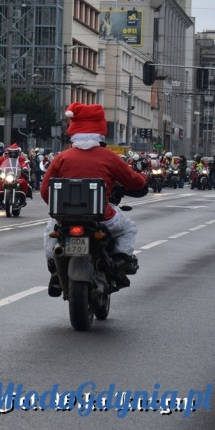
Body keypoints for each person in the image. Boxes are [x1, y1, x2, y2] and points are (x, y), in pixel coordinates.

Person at [40, 103, 148, 297]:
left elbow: (44, 189)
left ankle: (55, 269)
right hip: (102, 218)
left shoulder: (62, 157)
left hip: (65, 219)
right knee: (128, 228)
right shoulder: (109, 157)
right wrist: (141, 181)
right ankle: (122, 259)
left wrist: (59, 212)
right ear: (100, 130)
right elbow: (134, 181)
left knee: (50, 232)